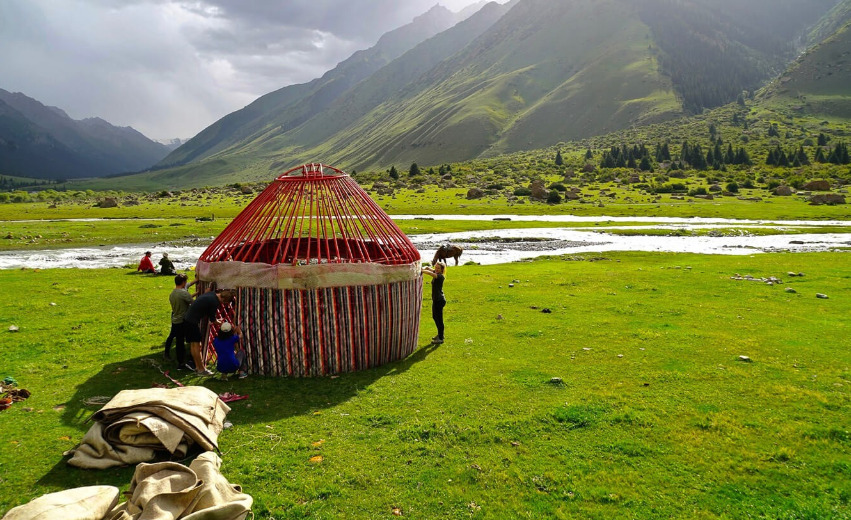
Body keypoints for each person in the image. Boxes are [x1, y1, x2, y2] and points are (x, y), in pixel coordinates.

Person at [184, 289, 234, 376]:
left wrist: (216, 320)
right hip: (192, 322)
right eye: (224, 303)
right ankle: (201, 369)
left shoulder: (212, 294)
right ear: (224, 299)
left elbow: (211, 315)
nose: (223, 304)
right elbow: (213, 320)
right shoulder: (214, 302)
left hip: (187, 319)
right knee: (197, 345)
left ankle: (197, 367)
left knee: (193, 344)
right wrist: (222, 323)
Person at [164, 273, 192, 367]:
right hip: (182, 320)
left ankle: (173, 356)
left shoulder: (173, 293)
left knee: (175, 338)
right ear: (183, 282)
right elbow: (192, 302)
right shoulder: (184, 293)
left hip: (175, 318)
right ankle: (183, 361)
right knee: (183, 340)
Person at [421, 263, 447, 344]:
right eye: (436, 267)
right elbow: (429, 269)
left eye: (438, 268)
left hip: (439, 300)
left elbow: (429, 273)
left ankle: (440, 337)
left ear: (442, 270)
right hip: (436, 300)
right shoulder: (436, 272)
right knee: (435, 317)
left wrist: (421, 271)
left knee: (439, 319)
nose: (436, 269)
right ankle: (440, 335)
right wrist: (424, 267)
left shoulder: (440, 276)